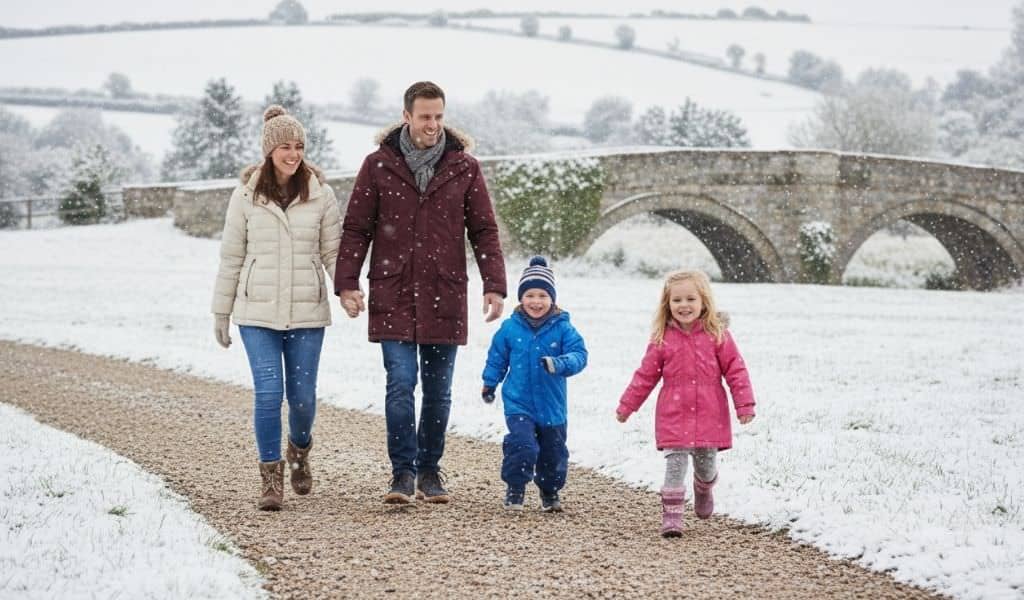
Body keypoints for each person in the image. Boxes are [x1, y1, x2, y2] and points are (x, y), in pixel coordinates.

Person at [335, 81, 506, 504]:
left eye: (439, 117)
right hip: (393, 290)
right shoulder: (377, 166)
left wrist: (495, 285)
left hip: (444, 292)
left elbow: (484, 230)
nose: (433, 125)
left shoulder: (464, 167)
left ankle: (430, 471)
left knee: (437, 390)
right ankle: (402, 473)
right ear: (407, 116)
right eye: (425, 116)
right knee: (400, 384)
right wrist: (347, 283)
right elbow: (357, 228)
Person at [211, 105, 341, 511]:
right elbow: (231, 257)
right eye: (285, 146)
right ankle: (270, 478)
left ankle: (299, 450)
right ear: (269, 150)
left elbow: (333, 252)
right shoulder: (246, 194)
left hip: (307, 311)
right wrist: (220, 311)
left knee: (302, 397)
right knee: (269, 393)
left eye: (299, 146)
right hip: (257, 312)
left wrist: (348, 290)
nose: (293, 153)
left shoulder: (321, 193)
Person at [615, 270, 755, 536]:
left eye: (691, 299)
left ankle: (703, 487)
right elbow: (645, 375)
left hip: (709, 412)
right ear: (667, 304)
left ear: (704, 301)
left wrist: (744, 404)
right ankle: (672, 518)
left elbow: (736, 370)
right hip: (674, 413)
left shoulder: (718, 335)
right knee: (675, 463)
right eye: (677, 300)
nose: (684, 305)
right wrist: (627, 406)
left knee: (705, 465)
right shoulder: (662, 339)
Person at [481, 257, 588, 512]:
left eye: (542, 295)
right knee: (523, 445)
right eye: (530, 295)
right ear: (521, 298)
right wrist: (489, 383)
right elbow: (497, 358)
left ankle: (550, 492)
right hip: (519, 402)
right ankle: (515, 488)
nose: (536, 301)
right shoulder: (509, 328)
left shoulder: (563, 328)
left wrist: (559, 363)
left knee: (553, 452)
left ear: (552, 299)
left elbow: (579, 355)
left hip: (552, 406)